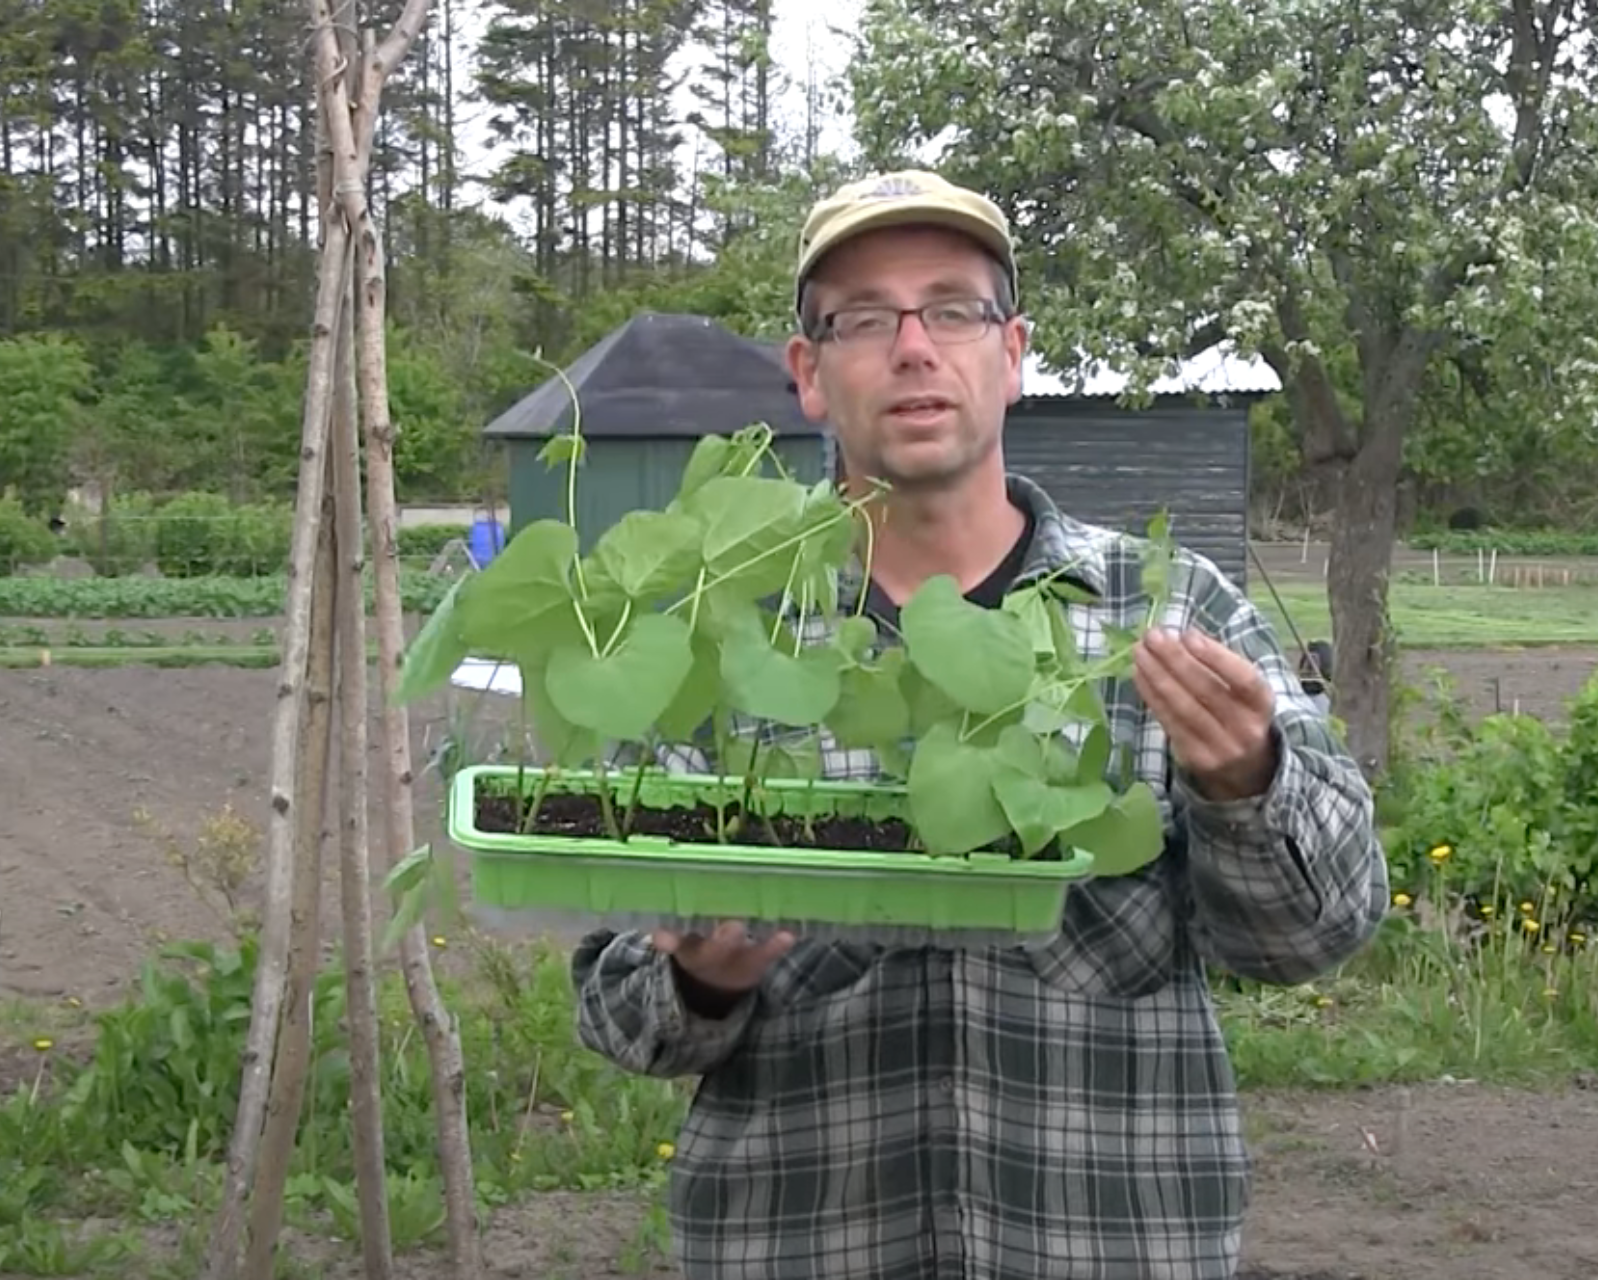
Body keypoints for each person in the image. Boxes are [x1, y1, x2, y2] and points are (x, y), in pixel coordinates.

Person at [570, 169, 1389, 1280]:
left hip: (1112, 1244)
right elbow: (617, 1007)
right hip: (804, 1239)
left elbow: (1314, 937)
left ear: (1012, 353)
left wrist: (1248, 777)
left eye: (953, 309)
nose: (914, 347)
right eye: (865, 318)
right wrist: (703, 978)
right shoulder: (718, 638)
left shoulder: (1165, 611)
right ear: (809, 373)